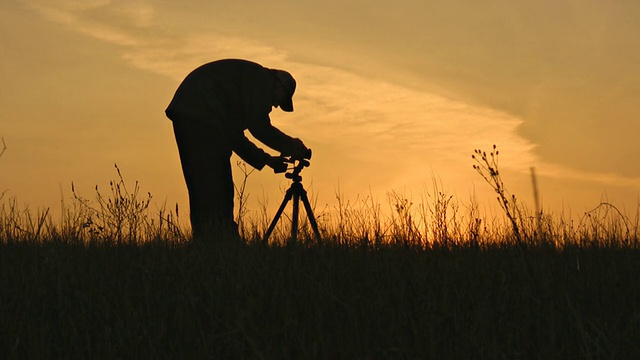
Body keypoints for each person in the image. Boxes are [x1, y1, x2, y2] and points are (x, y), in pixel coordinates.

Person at [165, 59, 310, 242]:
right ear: (277, 84)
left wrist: (267, 160)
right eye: (280, 100)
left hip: (194, 114)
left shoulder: (242, 92)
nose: (274, 106)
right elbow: (260, 128)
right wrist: (292, 146)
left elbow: (233, 137)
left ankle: (209, 243)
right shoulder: (259, 81)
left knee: (207, 186)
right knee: (213, 183)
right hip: (200, 114)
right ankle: (221, 242)